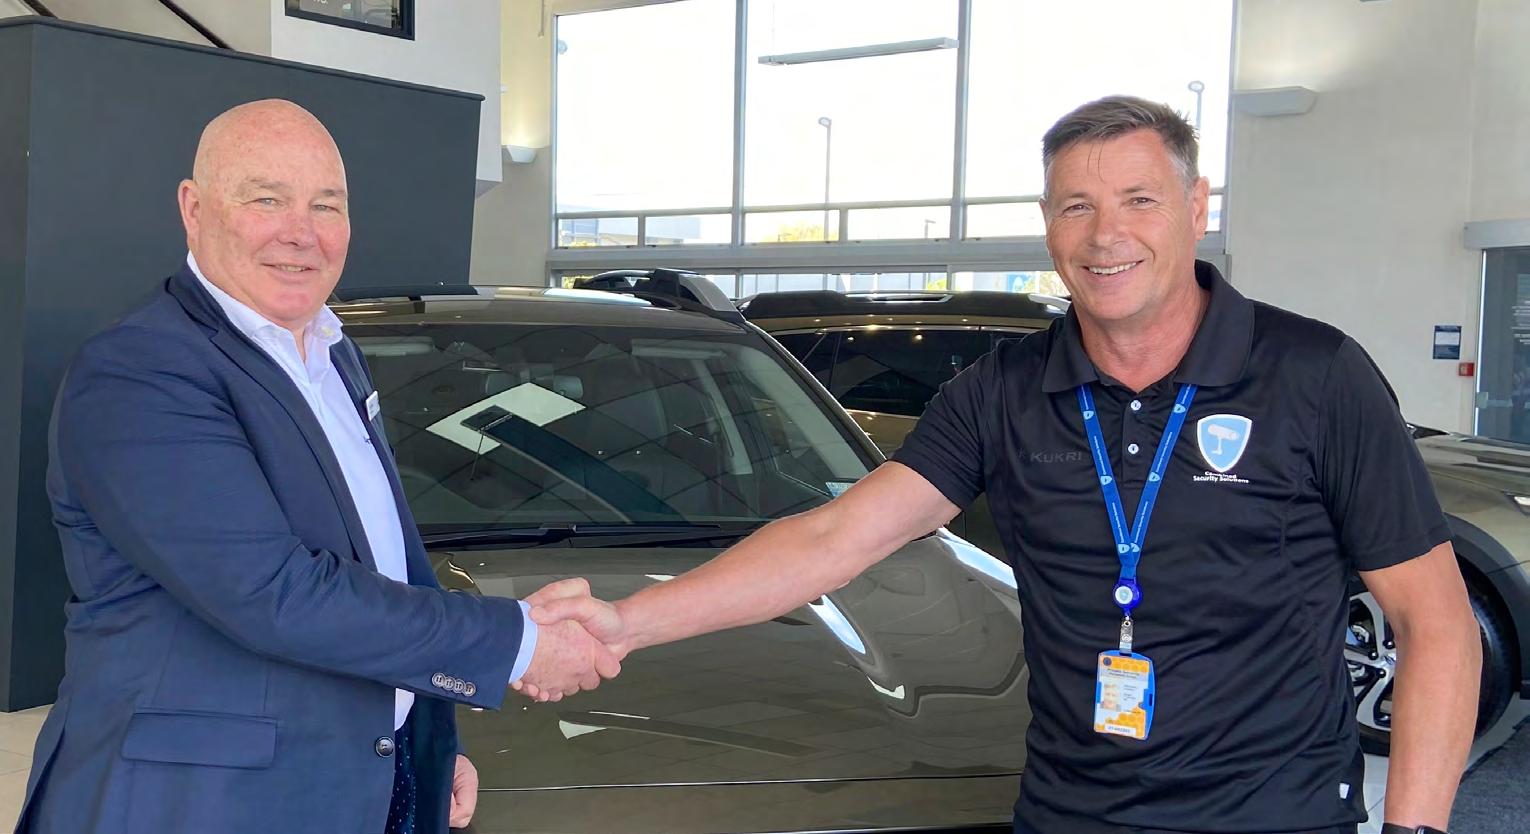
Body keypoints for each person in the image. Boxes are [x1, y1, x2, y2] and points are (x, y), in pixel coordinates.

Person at [526, 96, 1482, 834]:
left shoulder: (1314, 376)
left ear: (1196, 209)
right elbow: (831, 539)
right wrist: (627, 621)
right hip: (1070, 813)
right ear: (1048, 223)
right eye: (1078, 206)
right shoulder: (1004, 391)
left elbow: (1435, 623)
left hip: (1274, 815)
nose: (1107, 235)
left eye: (1140, 200)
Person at [16, 99, 617, 834]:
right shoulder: (139, 372)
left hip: (353, 782)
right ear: (194, 209)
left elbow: (386, 564)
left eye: (326, 205)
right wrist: (516, 642)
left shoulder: (330, 352)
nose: (301, 232)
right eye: (266, 199)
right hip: (196, 805)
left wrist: (422, 743)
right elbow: (273, 592)